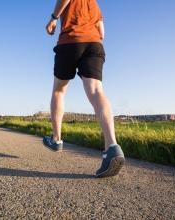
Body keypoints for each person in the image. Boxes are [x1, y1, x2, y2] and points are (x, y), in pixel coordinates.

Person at [43, 0, 125, 178]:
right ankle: (112, 146)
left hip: (71, 41)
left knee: (59, 90)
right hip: (95, 44)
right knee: (96, 91)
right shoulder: (95, 5)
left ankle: (56, 139)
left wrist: (53, 18)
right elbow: (102, 32)